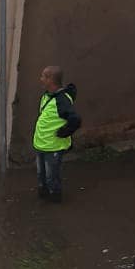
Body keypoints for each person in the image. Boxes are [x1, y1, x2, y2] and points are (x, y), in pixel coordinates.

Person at [33, 64, 81, 202]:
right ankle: (43, 195)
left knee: (51, 176)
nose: (40, 79)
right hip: (41, 144)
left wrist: (63, 133)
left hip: (53, 147)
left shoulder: (62, 101)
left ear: (50, 80)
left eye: (43, 76)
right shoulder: (47, 95)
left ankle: (54, 200)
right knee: (41, 174)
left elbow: (75, 120)